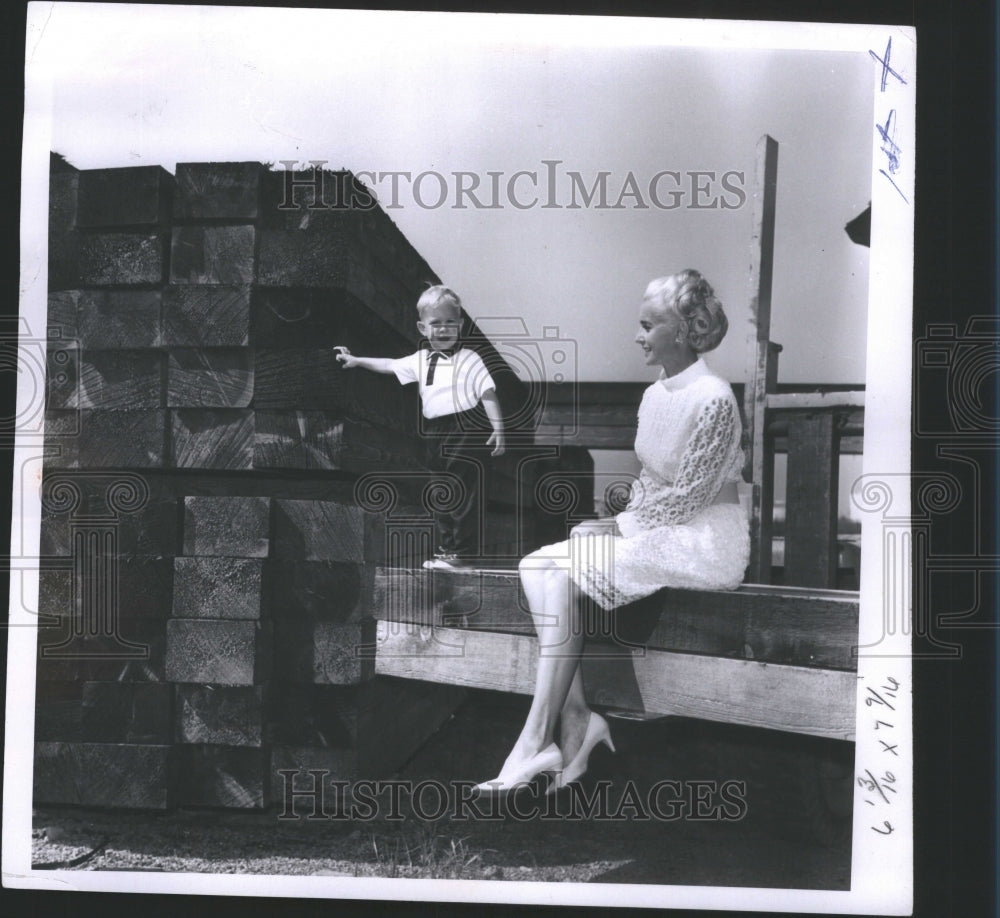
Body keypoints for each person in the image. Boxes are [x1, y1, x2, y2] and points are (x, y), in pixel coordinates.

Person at [475, 269, 749, 793]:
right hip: (661, 528)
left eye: (649, 325)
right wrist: (615, 523)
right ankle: (577, 721)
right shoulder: (655, 395)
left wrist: (618, 528)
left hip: (706, 540)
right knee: (536, 564)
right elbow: (651, 481)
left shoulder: (714, 398)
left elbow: (690, 497)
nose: (638, 334)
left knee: (565, 575)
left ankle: (535, 742)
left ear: (684, 330)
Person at [335, 285, 505, 570]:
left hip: (466, 428)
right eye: (436, 324)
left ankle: (462, 553)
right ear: (422, 328)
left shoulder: (470, 359)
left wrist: (499, 429)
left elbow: (488, 393)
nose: (443, 329)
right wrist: (356, 360)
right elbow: (389, 364)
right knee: (441, 489)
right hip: (434, 431)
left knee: (464, 489)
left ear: (460, 325)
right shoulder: (421, 360)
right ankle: (448, 550)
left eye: (450, 322)